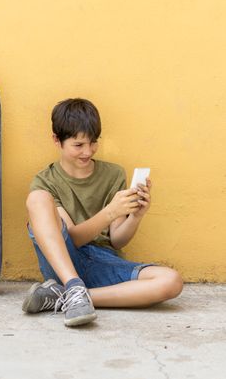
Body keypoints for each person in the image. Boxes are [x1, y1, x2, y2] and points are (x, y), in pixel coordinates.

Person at [22, 98, 183, 327]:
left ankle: (64, 295)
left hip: (103, 261)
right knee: (37, 199)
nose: (87, 151)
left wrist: (136, 215)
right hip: (64, 262)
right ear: (57, 140)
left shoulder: (113, 174)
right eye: (78, 145)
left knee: (171, 281)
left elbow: (117, 240)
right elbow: (73, 239)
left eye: (93, 142)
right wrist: (109, 213)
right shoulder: (46, 181)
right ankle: (71, 285)